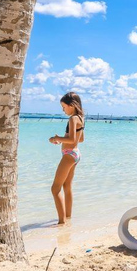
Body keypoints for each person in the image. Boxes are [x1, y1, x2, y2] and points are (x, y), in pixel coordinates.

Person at [49, 92, 85, 225]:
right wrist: (62, 141)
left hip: (69, 154)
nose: (63, 110)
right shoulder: (81, 118)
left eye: (64, 107)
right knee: (67, 186)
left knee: (55, 188)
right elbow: (81, 139)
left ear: (72, 105)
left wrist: (56, 138)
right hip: (75, 154)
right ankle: (68, 218)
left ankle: (61, 222)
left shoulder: (72, 119)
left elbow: (72, 139)